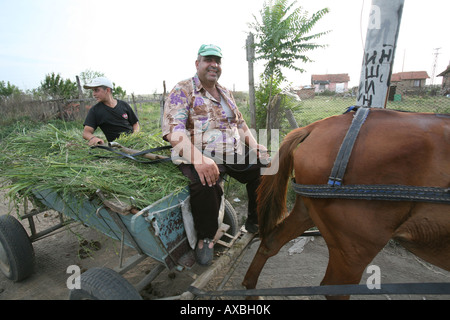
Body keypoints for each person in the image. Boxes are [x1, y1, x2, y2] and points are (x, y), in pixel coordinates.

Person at [162, 44, 268, 265]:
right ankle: (206, 238)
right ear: (197, 63)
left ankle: (255, 221)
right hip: (198, 151)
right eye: (208, 59)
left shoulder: (225, 92)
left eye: (218, 61)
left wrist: (255, 145)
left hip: (232, 151)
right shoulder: (182, 90)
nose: (214, 65)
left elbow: (240, 123)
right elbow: (175, 132)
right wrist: (199, 160)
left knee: (266, 167)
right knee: (206, 182)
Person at [82, 77, 140, 146]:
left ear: (107, 90)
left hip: (135, 142)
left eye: (96, 90)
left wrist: (134, 137)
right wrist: (93, 138)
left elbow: (135, 124)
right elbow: (86, 133)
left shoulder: (124, 105)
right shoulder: (95, 111)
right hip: (116, 146)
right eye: (93, 91)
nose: (94, 94)